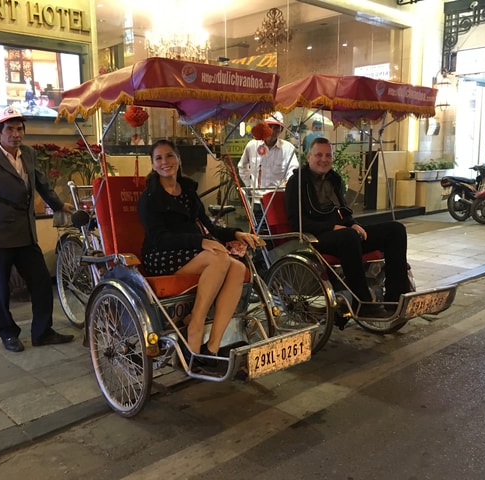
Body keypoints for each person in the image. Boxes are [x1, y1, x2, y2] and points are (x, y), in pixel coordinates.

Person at [138, 140, 262, 370]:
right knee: (221, 257)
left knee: (238, 268)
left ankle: (211, 348)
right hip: (161, 255)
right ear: (153, 165)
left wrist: (236, 232)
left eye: (170, 156)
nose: (165, 162)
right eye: (159, 158)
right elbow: (159, 238)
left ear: (178, 159)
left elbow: (209, 227)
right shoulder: (149, 198)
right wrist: (200, 242)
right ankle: (195, 326)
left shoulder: (187, 191)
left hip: (192, 251)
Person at [0, 106, 75, 352]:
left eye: (19, 129)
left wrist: (60, 205)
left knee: (40, 282)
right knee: (0, 289)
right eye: (10, 129)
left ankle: (42, 332)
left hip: (26, 234)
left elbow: (41, 184)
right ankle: (8, 333)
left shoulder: (27, 154)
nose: (16, 134)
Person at [284, 137, 410, 319]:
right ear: (309, 157)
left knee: (395, 230)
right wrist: (333, 227)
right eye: (318, 154)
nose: (323, 159)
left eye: (328, 155)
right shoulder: (296, 183)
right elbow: (297, 223)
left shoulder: (333, 179)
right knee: (349, 236)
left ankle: (395, 297)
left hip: (342, 234)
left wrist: (353, 223)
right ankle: (362, 302)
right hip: (314, 237)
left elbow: (343, 211)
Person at [237, 111, 299, 229]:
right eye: (270, 126)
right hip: (257, 201)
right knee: (259, 236)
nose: (272, 130)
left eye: (276, 127)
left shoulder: (288, 148)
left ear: (281, 129)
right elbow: (242, 166)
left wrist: (287, 183)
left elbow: (293, 171)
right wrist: (250, 185)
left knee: (277, 234)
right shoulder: (252, 145)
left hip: (278, 201)